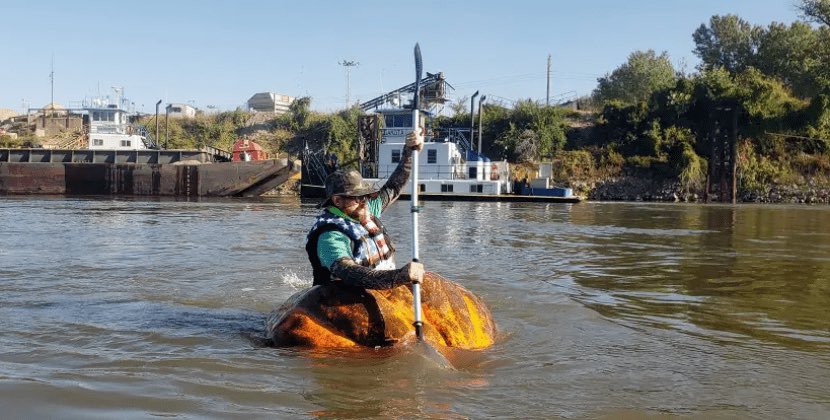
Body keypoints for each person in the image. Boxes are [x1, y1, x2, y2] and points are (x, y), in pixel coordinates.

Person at [306, 130, 425, 290]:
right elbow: (348, 272)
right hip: (340, 301)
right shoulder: (330, 235)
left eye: (366, 196)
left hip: (382, 289)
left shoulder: (366, 210)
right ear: (337, 201)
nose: (365, 201)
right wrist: (399, 276)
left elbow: (393, 187)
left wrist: (409, 152)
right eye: (358, 197)